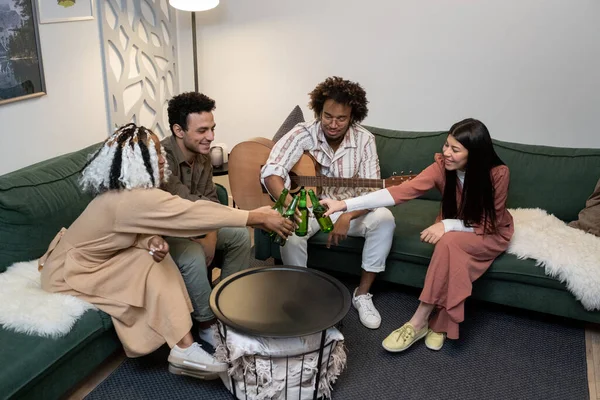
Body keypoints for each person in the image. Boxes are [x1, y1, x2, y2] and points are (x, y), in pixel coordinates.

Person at [39, 124, 293, 378]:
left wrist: (149, 241)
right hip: (70, 272)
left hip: (99, 258)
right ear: (135, 162)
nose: (162, 159)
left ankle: (193, 339)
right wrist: (253, 216)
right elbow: (189, 212)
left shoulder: (130, 192)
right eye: (155, 154)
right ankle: (185, 348)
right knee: (153, 263)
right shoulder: (131, 198)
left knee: (153, 256)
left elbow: (119, 231)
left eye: (161, 152)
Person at [321, 118, 513, 351]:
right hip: (453, 229)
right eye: (446, 145)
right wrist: (344, 204)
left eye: (455, 149)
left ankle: (419, 321)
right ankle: (440, 324)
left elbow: (488, 223)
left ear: (474, 153)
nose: (447, 153)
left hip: (489, 232)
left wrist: (447, 225)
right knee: (450, 245)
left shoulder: (498, 174)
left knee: (448, 242)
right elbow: (398, 192)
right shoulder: (442, 166)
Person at [260, 76, 396, 329]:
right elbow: (272, 171)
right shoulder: (302, 133)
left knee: (385, 219)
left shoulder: (365, 140)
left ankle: (362, 295)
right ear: (319, 111)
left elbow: (373, 193)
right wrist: (290, 205)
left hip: (349, 209)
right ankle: (299, 293)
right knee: (290, 230)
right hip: (310, 208)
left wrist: (347, 215)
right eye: (327, 116)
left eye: (341, 119)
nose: (333, 124)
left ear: (353, 117)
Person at [161, 92, 252, 345]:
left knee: (240, 236)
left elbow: (210, 199)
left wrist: (211, 234)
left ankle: (228, 306)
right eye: (202, 130)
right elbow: (182, 207)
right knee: (191, 253)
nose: (211, 137)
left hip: (198, 223)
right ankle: (206, 322)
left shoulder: (202, 155)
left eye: (212, 128)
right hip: (164, 231)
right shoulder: (160, 158)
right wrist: (205, 232)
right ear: (179, 130)